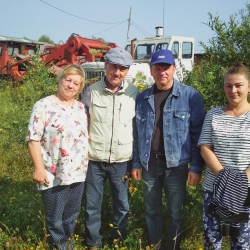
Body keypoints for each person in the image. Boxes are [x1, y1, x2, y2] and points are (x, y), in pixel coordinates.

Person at [132, 49, 205, 250]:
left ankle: (172, 247)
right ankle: (155, 246)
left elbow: (198, 134)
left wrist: (196, 167)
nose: (162, 72)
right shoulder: (143, 98)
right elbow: (136, 134)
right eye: (158, 68)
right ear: (151, 70)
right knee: (152, 210)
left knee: (175, 212)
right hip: (149, 164)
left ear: (174, 69)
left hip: (177, 165)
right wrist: (136, 163)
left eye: (166, 68)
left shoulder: (190, 96)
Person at [26, 64, 88, 249]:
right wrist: (38, 169)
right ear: (60, 80)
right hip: (53, 173)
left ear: (80, 87)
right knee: (55, 216)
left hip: (78, 172)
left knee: (72, 213)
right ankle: (58, 246)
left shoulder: (81, 108)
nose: (70, 85)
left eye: (76, 83)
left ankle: (67, 242)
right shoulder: (44, 105)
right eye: (68, 80)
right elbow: (33, 138)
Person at [82, 47, 139, 249]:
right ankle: (93, 243)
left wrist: (136, 162)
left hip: (122, 162)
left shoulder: (134, 94)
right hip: (94, 160)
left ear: (127, 71)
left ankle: (120, 242)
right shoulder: (90, 92)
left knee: (122, 206)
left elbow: (137, 131)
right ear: (105, 66)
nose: (117, 72)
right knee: (92, 206)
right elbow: (82, 124)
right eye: (113, 67)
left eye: (122, 69)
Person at [198, 63, 250, 249]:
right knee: (212, 240)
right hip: (214, 189)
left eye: (239, 85)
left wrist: (240, 181)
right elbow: (205, 147)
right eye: (228, 86)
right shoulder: (213, 114)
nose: (233, 90)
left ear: (249, 87)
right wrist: (224, 178)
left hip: (245, 191)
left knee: (242, 243)